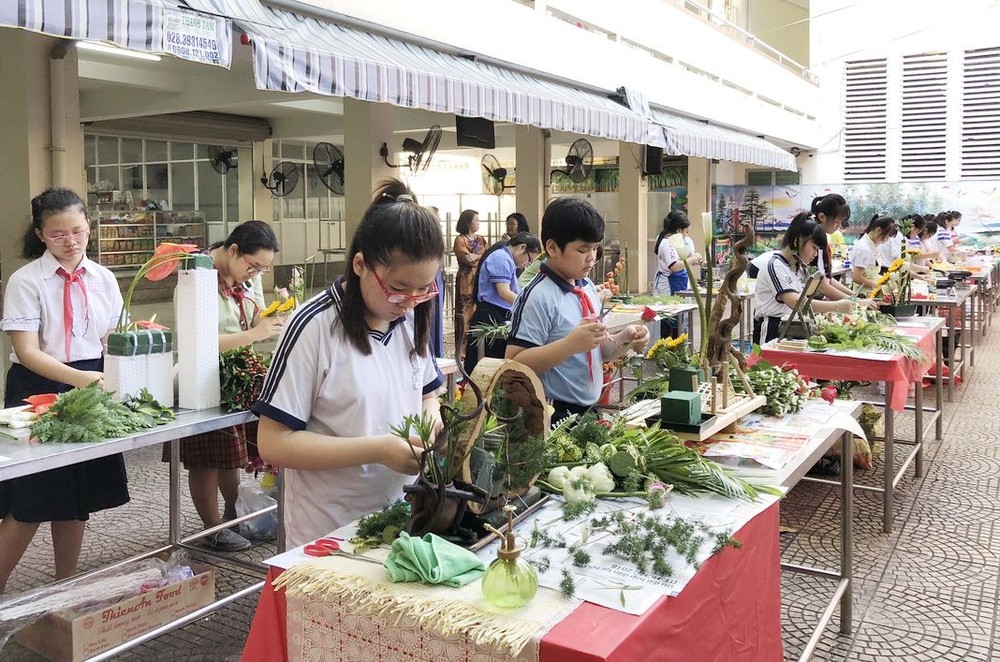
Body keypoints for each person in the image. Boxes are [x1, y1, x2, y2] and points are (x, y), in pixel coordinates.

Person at [253, 179, 443, 548]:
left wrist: (430, 420)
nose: (410, 301)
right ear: (360, 264)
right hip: (330, 530)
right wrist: (379, 449)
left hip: (401, 518)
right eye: (399, 287)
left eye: (424, 289)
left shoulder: (407, 318)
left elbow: (426, 393)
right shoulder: (314, 327)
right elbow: (274, 444)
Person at [0, 187, 129, 593]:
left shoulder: (103, 277)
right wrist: (84, 380)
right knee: (30, 501)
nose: (70, 241)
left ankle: (64, 590)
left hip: (90, 383)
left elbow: (113, 337)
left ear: (89, 226)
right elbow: (26, 351)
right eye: (58, 234)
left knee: (77, 498)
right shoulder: (25, 280)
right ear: (40, 234)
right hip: (39, 387)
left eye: (78, 231)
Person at [162, 221, 284, 552]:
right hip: (200, 378)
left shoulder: (247, 278)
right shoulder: (196, 277)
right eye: (253, 265)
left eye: (262, 269)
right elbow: (196, 341)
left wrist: (274, 316)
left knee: (230, 454)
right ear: (232, 251)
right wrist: (253, 335)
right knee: (205, 458)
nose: (256, 274)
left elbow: (257, 316)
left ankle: (234, 515)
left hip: (234, 374)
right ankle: (213, 527)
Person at [505, 197, 650, 424]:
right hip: (553, 414)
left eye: (594, 248)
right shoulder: (538, 295)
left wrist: (626, 339)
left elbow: (597, 351)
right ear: (552, 248)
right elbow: (514, 363)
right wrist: (570, 344)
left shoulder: (586, 287)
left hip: (588, 409)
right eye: (583, 249)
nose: (591, 257)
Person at [753, 214, 856, 345]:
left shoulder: (799, 267)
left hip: (791, 327)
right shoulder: (775, 265)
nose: (815, 254)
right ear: (797, 241)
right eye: (814, 248)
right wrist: (837, 306)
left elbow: (810, 296)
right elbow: (797, 303)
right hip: (772, 330)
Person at [463, 232, 541, 375]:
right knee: (486, 370)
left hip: (497, 315)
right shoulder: (501, 258)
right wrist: (527, 306)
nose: (526, 264)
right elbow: (504, 292)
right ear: (522, 247)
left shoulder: (504, 257)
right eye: (529, 259)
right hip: (491, 316)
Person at [810, 194, 859, 301]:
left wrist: (855, 296)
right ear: (822, 217)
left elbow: (828, 279)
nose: (839, 226)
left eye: (841, 222)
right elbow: (821, 286)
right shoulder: (812, 241)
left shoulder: (822, 239)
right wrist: (855, 300)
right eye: (837, 222)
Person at [452, 209, 485, 358]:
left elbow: (486, 255)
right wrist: (480, 256)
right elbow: (466, 259)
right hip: (466, 281)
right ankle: (461, 350)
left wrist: (476, 256)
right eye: (475, 220)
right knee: (464, 314)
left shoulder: (480, 238)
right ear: (467, 222)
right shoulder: (460, 239)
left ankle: (475, 347)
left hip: (479, 278)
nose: (478, 223)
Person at [652, 211, 703, 296]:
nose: (687, 235)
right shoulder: (666, 243)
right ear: (678, 230)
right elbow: (674, 266)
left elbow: (688, 257)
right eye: (686, 232)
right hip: (668, 283)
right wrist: (693, 258)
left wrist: (699, 261)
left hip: (682, 279)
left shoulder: (684, 240)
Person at [850, 214, 898, 292]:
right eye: (887, 237)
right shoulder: (864, 248)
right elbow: (856, 277)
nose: (887, 240)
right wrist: (878, 286)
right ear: (878, 230)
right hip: (864, 292)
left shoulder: (872, 245)